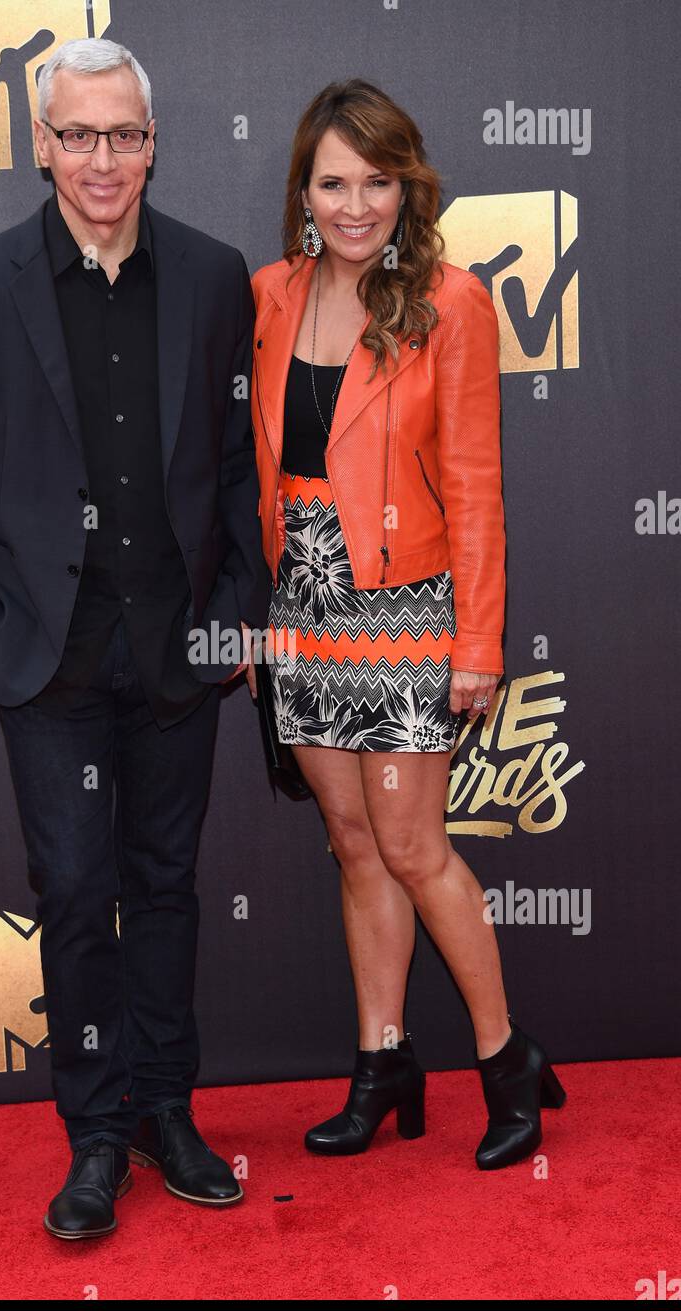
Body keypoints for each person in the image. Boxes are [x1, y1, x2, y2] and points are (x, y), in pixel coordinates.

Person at [0, 38, 270, 1237]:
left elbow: (237, 470)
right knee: (73, 892)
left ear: (153, 145)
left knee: (166, 888)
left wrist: (237, 618)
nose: (101, 158)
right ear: (43, 143)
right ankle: (96, 1135)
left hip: (177, 651)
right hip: (44, 656)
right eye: (77, 134)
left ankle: (170, 1111)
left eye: (123, 134)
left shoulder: (216, 279)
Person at [250, 79, 566, 1170]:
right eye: (333, 181)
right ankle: (383, 1061)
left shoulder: (450, 300)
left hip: (410, 612)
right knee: (351, 846)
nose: (355, 204)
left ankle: (503, 1056)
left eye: (377, 180)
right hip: (303, 609)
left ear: (407, 186)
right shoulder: (269, 296)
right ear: (304, 190)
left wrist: (479, 643)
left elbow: (476, 485)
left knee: (413, 844)